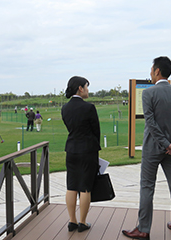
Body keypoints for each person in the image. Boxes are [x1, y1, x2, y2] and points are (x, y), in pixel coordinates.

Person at [122, 57, 171, 239]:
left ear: (157, 71)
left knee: (147, 187)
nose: (150, 73)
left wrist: (166, 144)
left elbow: (150, 123)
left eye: (152, 70)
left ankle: (143, 229)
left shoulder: (148, 94)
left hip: (153, 149)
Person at [61, 76, 101, 233]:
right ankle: (83, 222)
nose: (88, 90)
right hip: (87, 150)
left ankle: (72, 221)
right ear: (80, 88)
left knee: (71, 185)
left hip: (71, 149)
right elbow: (96, 131)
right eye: (86, 87)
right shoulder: (89, 108)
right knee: (85, 188)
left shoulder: (65, 108)